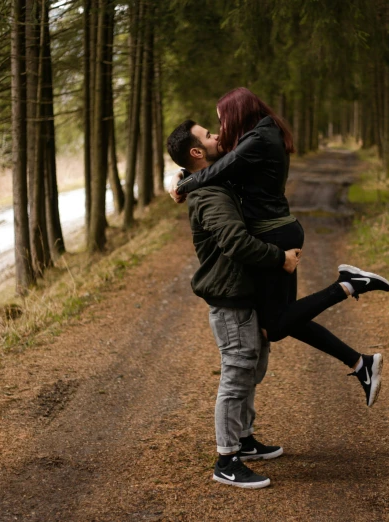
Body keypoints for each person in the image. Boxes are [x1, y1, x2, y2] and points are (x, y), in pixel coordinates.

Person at [170, 89, 389, 406]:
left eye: (221, 121)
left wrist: (184, 184)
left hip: (276, 236)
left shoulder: (258, 138)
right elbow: (219, 167)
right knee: (283, 319)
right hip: (278, 231)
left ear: (237, 114)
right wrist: (180, 173)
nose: (220, 129)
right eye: (212, 129)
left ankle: (348, 286)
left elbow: (219, 168)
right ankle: (360, 363)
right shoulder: (259, 133)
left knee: (275, 324)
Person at [166, 120, 300, 489]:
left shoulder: (212, 179)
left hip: (244, 293)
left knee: (253, 367)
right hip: (229, 298)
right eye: (208, 136)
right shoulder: (209, 195)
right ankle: (226, 459)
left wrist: (179, 176)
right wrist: (280, 258)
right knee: (237, 372)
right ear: (197, 152)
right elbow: (236, 243)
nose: (217, 138)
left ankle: (243, 439)